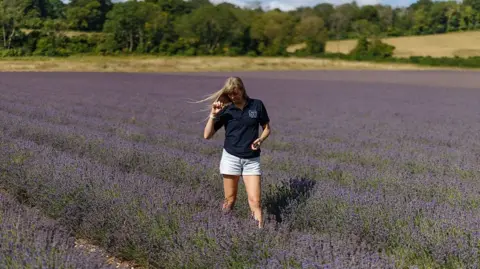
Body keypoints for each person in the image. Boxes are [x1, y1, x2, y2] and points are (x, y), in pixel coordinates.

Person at [202, 76, 271, 228]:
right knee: (230, 199)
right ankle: (222, 227)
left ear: (242, 89)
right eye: (230, 94)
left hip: (252, 160)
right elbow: (207, 135)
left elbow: (267, 128)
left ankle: (260, 233)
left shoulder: (257, 105)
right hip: (231, 158)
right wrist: (213, 115)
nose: (234, 96)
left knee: (255, 201)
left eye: (236, 92)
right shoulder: (226, 110)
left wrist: (260, 140)